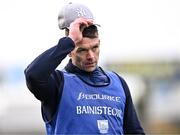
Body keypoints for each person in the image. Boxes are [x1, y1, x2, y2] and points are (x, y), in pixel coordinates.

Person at [24, 2, 145, 135]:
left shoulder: (118, 83)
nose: (91, 57)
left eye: (95, 48)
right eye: (82, 50)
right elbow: (33, 75)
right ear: (69, 51)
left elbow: (135, 132)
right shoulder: (58, 84)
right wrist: (70, 40)